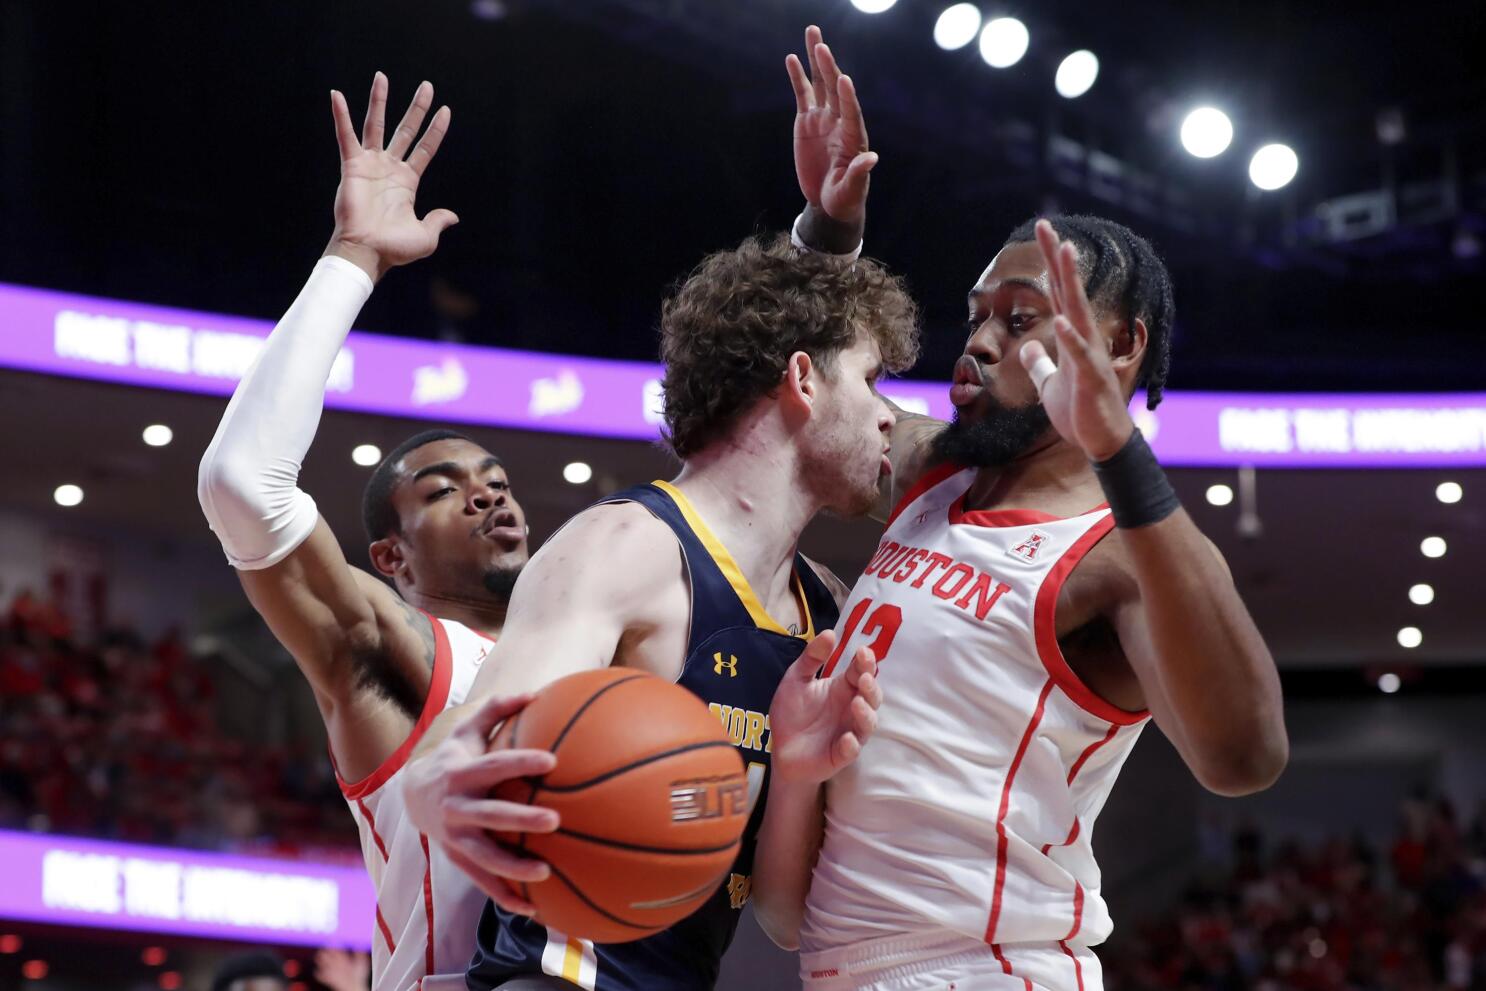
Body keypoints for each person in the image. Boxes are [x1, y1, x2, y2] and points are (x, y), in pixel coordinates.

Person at [750, 28, 1289, 991]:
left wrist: (1117, 447)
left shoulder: (1114, 555)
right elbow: (797, 392)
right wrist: (826, 232)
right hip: (844, 965)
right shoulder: (932, 472)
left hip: (988, 969)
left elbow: (1245, 755)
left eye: (1020, 317)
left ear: (1117, 344)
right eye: (976, 315)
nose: (980, 341)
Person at [401, 199, 922, 987]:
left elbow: (781, 916)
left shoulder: (828, 606)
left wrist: (799, 774)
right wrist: (439, 778)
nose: (891, 418)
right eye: (874, 380)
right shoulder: (625, 546)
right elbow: (475, 733)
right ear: (803, 378)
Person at [197, 73, 557, 991]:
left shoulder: (591, 654)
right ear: (391, 559)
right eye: (445, 490)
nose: (487, 497)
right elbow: (243, 483)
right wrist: (353, 255)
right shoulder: (403, 652)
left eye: (498, 481)